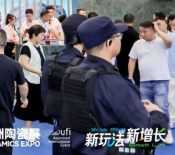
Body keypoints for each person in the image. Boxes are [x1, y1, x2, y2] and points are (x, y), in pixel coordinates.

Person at [65, 16, 168, 154]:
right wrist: (157, 113)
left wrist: (132, 105)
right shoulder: (116, 84)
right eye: (118, 36)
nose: (120, 40)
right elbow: (149, 134)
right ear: (109, 43)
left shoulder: (72, 73)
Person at [40, 14, 86, 155]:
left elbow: (45, 95)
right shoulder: (85, 65)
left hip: (59, 127)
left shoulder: (51, 60)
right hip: (81, 134)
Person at [128, 20, 173, 143]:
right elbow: (132, 60)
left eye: (145, 31)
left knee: (162, 107)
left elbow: (169, 41)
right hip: (144, 81)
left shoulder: (161, 41)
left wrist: (158, 30)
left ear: (153, 30)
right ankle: (148, 132)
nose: (142, 34)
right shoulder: (137, 44)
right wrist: (130, 77)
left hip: (161, 80)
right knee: (145, 108)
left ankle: (167, 131)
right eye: (140, 31)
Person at [14, 25, 52, 135]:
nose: (43, 37)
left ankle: (27, 129)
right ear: (34, 35)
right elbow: (23, 63)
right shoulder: (26, 47)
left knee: (34, 108)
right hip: (29, 81)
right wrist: (37, 72)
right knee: (29, 109)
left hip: (37, 81)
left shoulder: (39, 46)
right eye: (41, 35)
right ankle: (26, 130)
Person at [155, 18, 175, 129]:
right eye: (155, 24)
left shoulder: (173, 37)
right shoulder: (155, 39)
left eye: (159, 24)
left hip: (172, 71)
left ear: (166, 24)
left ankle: (172, 119)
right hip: (159, 73)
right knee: (164, 98)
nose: (157, 26)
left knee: (171, 97)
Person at [117, 13, 140, 85]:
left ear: (123, 21)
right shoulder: (135, 33)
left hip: (120, 60)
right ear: (134, 21)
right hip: (132, 61)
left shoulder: (119, 33)